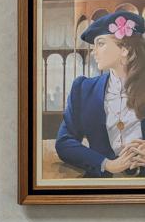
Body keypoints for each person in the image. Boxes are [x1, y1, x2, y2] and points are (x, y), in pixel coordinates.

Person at [56, 11, 145, 177]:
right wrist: (107, 164)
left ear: (125, 49)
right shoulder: (83, 89)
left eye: (100, 43)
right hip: (100, 184)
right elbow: (64, 142)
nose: (93, 51)